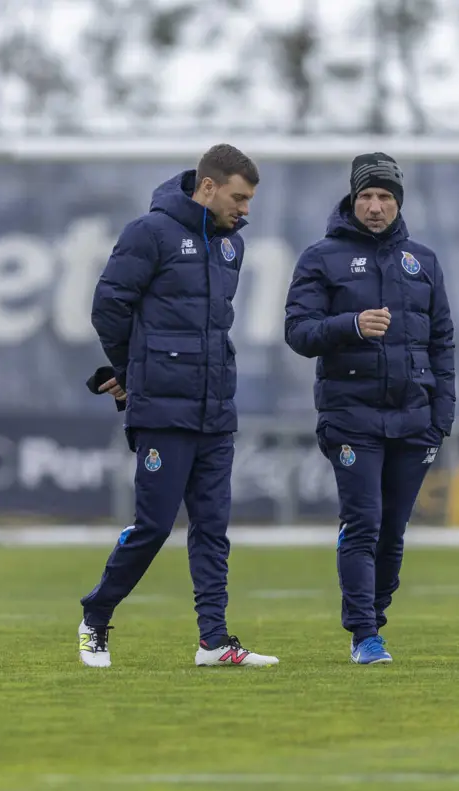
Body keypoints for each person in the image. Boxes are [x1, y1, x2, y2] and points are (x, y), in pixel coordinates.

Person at [77, 144, 279, 669]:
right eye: (239, 197)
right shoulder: (150, 232)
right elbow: (108, 307)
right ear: (207, 187)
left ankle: (214, 641)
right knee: (154, 526)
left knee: (213, 528)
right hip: (163, 411)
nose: (246, 209)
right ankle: (95, 616)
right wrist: (131, 373)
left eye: (251, 199)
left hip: (216, 411)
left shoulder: (233, 247)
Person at [284, 153, 455, 665]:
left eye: (384, 197)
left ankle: (373, 616)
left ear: (398, 202)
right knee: (364, 523)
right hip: (351, 418)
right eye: (366, 197)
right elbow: (298, 332)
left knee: (393, 534)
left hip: (414, 420)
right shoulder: (321, 258)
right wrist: (350, 325)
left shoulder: (421, 262)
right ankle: (363, 634)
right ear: (352, 200)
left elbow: (442, 343)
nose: (375, 207)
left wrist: (440, 418)